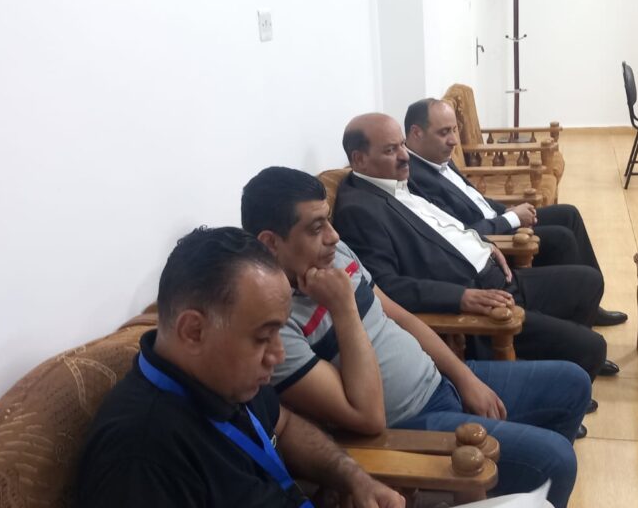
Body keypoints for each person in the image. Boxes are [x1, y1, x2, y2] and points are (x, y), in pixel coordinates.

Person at [241, 166, 591, 507]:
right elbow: (367, 418)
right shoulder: (276, 327)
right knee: (555, 459)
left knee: (572, 383)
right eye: (316, 228)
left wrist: (464, 377)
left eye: (329, 221)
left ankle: (516, 491)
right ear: (270, 243)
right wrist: (344, 307)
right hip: (408, 424)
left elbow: (402, 317)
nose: (333, 236)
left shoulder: (335, 256)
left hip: (438, 380)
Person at [76, 227, 404, 508]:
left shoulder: (224, 378)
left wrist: (353, 478)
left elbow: (284, 425)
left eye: (279, 331)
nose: (277, 355)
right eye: (263, 337)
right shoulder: (141, 457)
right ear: (193, 331)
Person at [332, 113, 617, 379]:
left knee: (589, 282)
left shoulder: (394, 181)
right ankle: (556, 377)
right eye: (391, 150)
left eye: (402, 145)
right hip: (478, 302)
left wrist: (482, 242)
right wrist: (461, 297)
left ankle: (558, 354)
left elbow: (446, 225)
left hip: (498, 275)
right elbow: (386, 286)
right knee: (592, 348)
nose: (405, 156)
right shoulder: (360, 210)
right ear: (359, 159)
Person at [403, 98, 627, 327]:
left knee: (569, 215)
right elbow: (462, 231)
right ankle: (576, 314)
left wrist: (508, 210)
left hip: (498, 220)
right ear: (416, 133)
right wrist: (512, 218)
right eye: (444, 132)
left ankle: (591, 305)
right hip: (492, 237)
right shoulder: (414, 178)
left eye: (454, 130)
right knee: (562, 238)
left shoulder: (437, 154)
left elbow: (476, 199)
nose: (453, 140)